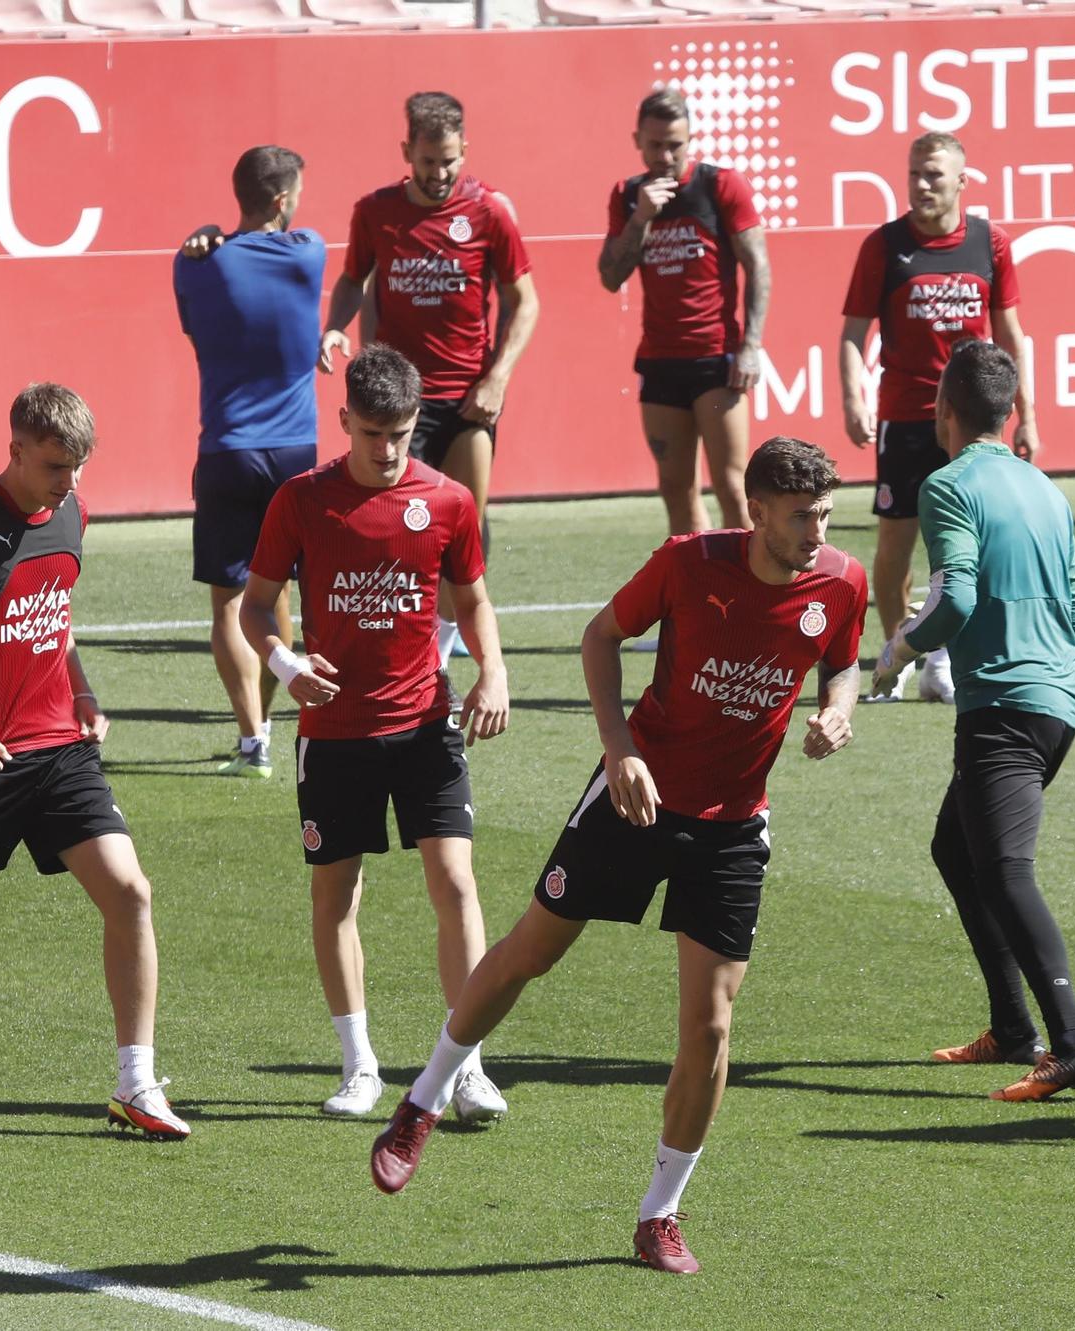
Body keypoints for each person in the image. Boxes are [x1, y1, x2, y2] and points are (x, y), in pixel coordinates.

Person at [368, 437, 867, 1277]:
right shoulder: (687, 563)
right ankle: (421, 1101)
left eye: (825, 513)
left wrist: (839, 712)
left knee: (711, 1025)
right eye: (803, 516)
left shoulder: (841, 583)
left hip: (735, 822)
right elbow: (600, 638)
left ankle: (659, 1214)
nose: (818, 531)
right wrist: (620, 747)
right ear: (758, 513)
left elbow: (844, 664)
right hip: (636, 794)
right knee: (534, 948)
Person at [0, 383, 190, 1142]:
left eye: (79, 465)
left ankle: (136, 1083)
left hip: (60, 751)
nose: (69, 481)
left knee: (131, 893)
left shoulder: (73, 512)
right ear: (15, 448)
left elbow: (57, 614)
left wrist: (81, 689)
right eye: (55, 464)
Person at [240, 344, 511, 1123]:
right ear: (344, 422)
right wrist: (286, 663)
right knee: (338, 893)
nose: (387, 451)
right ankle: (360, 1066)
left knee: (455, 885)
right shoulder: (301, 499)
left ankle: (466, 1069)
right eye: (370, 434)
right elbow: (254, 606)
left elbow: (473, 600)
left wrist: (492, 670)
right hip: (334, 733)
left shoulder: (449, 501)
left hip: (426, 724)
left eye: (399, 433)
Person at [871, 339, 1075, 1103]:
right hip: (1058, 703)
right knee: (955, 845)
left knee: (1004, 871)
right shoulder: (1044, 489)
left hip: (1002, 707)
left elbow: (957, 599)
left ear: (943, 412)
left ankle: (1070, 1043)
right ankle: (1011, 1026)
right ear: (1009, 412)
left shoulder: (947, 486)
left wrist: (898, 650)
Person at [323, 91, 539, 664]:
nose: (439, 173)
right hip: (397, 401)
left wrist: (498, 378)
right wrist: (332, 327)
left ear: (464, 149)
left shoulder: (489, 212)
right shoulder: (376, 211)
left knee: (465, 515)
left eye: (449, 160)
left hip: (468, 396)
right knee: (391, 518)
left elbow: (527, 301)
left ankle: (440, 649)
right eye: (427, 161)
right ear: (407, 152)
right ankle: (381, 628)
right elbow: (351, 279)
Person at [839, 130, 1038, 704]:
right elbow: (853, 334)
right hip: (905, 416)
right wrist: (853, 398)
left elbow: (1012, 336)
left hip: (973, 422)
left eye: (934, 174)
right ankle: (896, 651)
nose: (922, 184)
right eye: (914, 174)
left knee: (966, 544)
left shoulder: (990, 243)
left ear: (961, 181)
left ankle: (946, 659)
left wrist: (1028, 414)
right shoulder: (884, 246)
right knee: (896, 542)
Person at [173, 146, 323, 779]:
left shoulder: (195, 267)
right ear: (284, 199)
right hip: (295, 453)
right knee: (281, 594)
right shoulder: (308, 253)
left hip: (228, 451)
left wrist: (204, 239)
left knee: (230, 606)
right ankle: (303, 724)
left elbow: (195, 319)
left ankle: (252, 740)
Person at [600, 87, 770, 538]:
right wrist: (641, 219)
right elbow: (610, 276)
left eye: (674, 144)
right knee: (675, 490)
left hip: (717, 361)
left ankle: (750, 594)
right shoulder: (628, 195)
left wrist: (750, 347)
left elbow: (759, 268)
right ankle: (699, 593)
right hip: (660, 362)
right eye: (655, 144)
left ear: (691, 138)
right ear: (637, 140)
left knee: (734, 487)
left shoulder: (720, 185)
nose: (664, 154)